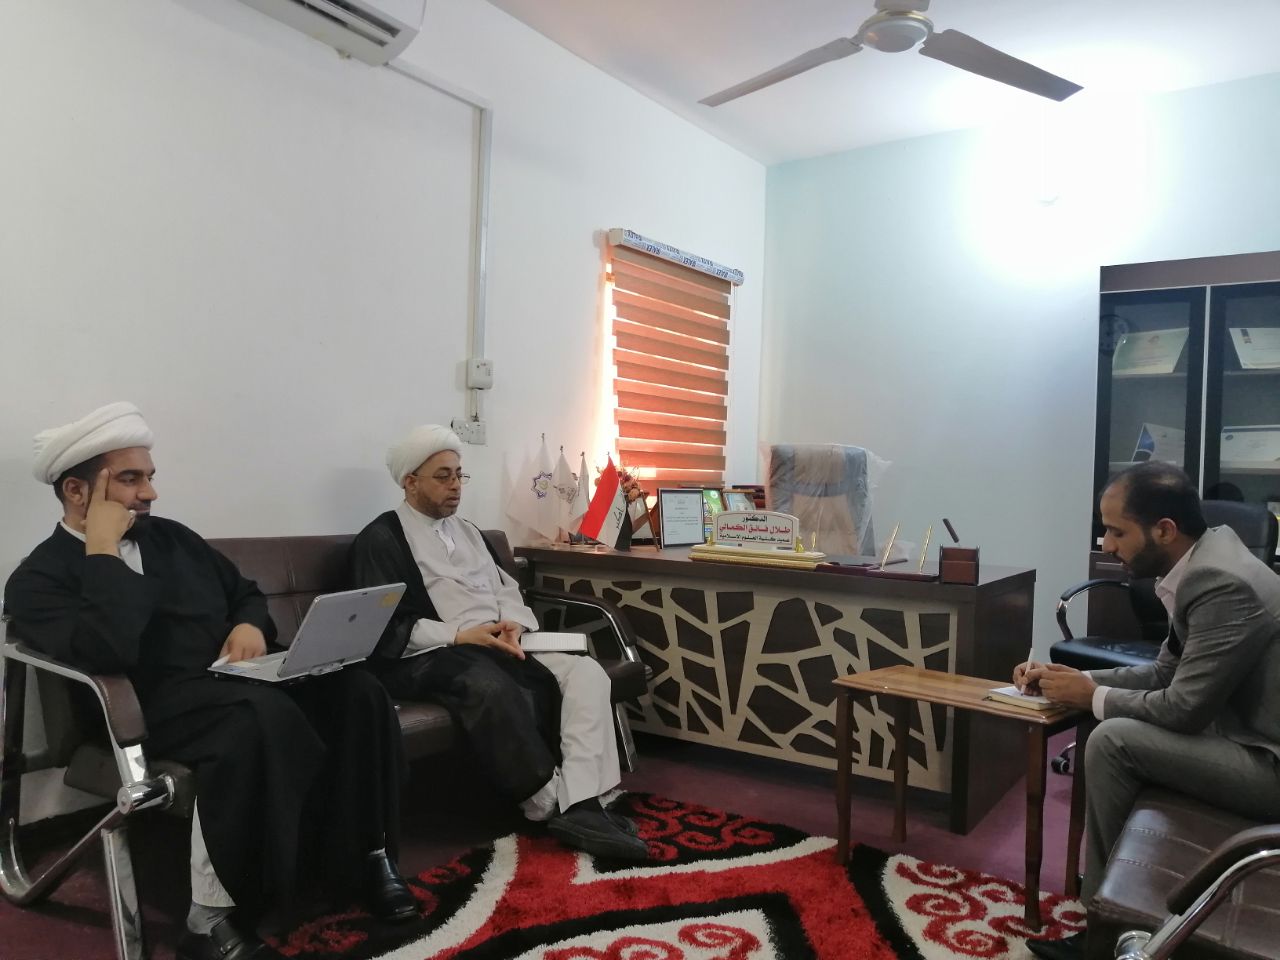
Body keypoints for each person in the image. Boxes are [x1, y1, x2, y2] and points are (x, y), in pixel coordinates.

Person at [4, 403, 418, 960]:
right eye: (130, 479)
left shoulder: (173, 539)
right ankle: (210, 918)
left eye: (149, 476)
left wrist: (249, 624)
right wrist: (101, 552)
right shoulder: (37, 578)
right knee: (256, 719)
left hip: (232, 680)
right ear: (77, 492)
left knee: (358, 690)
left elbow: (243, 591)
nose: (149, 493)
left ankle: (368, 856)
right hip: (146, 705)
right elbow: (108, 650)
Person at [1014, 462, 1280, 960]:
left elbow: (1182, 709)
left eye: (1117, 531)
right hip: (1241, 737)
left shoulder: (1221, 582)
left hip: (1269, 764)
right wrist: (1076, 680)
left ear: (1164, 530)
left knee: (1113, 741)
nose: (1106, 545)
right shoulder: (1204, 560)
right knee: (1111, 727)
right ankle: (1111, 902)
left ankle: (1101, 931)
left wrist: (1089, 697)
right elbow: (1163, 674)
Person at [348, 425, 647, 861]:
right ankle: (549, 805)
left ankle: (583, 802)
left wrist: (513, 626)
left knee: (586, 673)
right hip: (436, 651)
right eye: (442, 476)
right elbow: (385, 625)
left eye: (459, 475)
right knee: (487, 685)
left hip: (500, 641)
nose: (455, 486)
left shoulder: (468, 531)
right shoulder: (381, 539)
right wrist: (460, 635)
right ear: (409, 482)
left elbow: (507, 589)